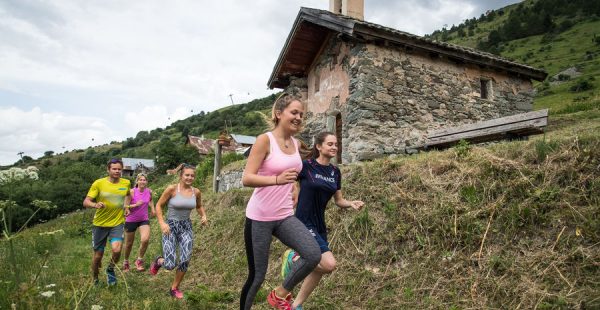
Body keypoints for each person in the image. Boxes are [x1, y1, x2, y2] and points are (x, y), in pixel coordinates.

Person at [240, 93, 321, 310]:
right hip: (259, 217)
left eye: (301, 114)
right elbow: (247, 178)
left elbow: (294, 172)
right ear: (278, 114)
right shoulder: (264, 140)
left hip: (284, 215)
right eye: (294, 112)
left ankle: (279, 294)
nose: (298, 117)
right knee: (257, 276)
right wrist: (276, 180)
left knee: (313, 255)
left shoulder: (296, 144)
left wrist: (295, 187)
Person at [282, 132, 365, 310]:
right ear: (319, 146)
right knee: (329, 264)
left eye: (336, 144)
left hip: (320, 224)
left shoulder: (335, 172)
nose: (334, 147)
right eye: (330, 144)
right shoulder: (306, 166)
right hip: (304, 221)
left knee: (317, 268)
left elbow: (338, 200)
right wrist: (293, 190)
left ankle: (296, 305)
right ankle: (294, 259)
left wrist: (351, 203)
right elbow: (288, 179)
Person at [149, 164, 207, 299]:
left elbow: (199, 206)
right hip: (170, 227)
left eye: (192, 175)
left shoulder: (196, 192)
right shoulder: (172, 189)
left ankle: (174, 288)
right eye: (187, 175)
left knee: (185, 259)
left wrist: (203, 215)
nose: (190, 177)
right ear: (181, 176)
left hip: (186, 227)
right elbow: (159, 205)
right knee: (170, 264)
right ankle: (159, 261)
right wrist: (162, 223)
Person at [83, 158, 132, 286]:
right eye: (114, 169)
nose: (117, 171)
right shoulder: (98, 183)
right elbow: (86, 201)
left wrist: (126, 207)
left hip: (117, 223)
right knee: (98, 256)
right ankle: (95, 278)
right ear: (108, 170)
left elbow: (128, 195)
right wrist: (95, 204)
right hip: (100, 224)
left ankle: (110, 269)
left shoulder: (126, 182)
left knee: (116, 250)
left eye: (119, 169)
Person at [122, 173, 155, 272]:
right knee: (129, 244)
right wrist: (135, 204)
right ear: (137, 181)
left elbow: (150, 200)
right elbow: (125, 206)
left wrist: (152, 209)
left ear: (146, 182)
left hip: (143, 219)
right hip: (131, 220)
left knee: (145, 240)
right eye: (140, 179)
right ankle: (126, 262)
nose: (142, 181)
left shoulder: (149, 191)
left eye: (144, 180)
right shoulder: (131, 192)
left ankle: (139, 260)